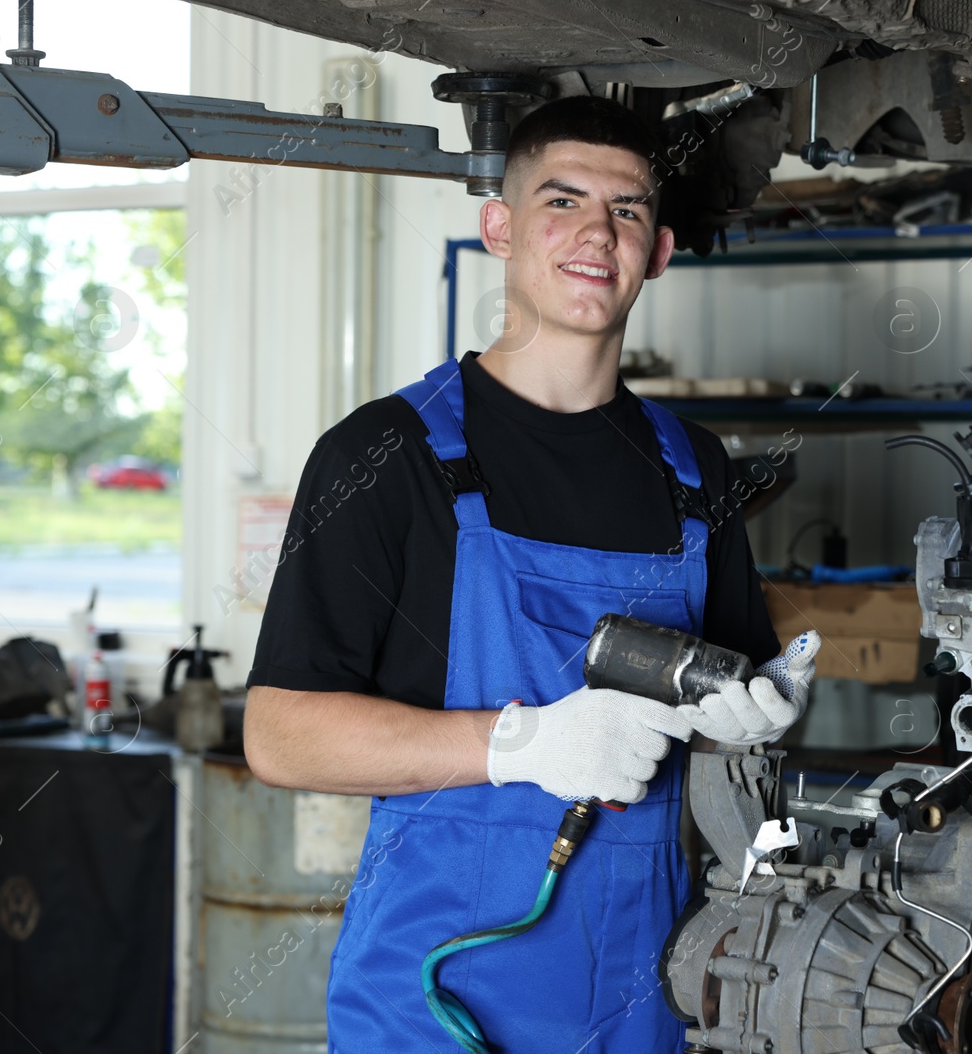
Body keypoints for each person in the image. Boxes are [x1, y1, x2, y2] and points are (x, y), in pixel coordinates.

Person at [243, 95, 819, 1053]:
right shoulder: (387, 455)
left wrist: (761, 713)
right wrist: (520, 745)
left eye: (627, 210)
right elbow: (281, 736)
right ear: (499, 228)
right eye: (563, 201)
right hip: (437, 1006)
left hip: (642, 1005)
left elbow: (738, 719)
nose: (597, 232)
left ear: (660, 249)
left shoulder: (696, 472)